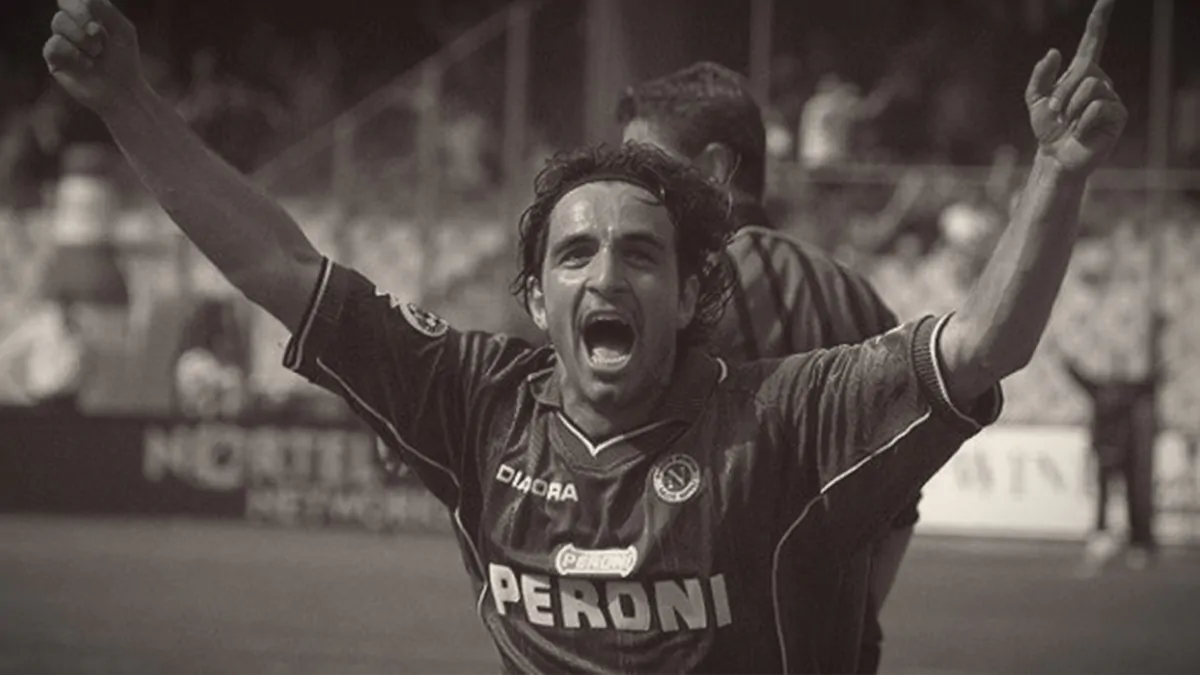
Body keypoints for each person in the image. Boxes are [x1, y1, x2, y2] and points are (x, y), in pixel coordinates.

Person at [43, 0, 1125, 671]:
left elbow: (981, 346)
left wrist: (1056, 172)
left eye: (640, 253)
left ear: (693, 293)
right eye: (574, 254)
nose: (605, 273)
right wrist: (128, 101)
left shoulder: (780, 415)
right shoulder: (476, 404)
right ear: (533, 298)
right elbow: (280, 268)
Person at [616, 62, 912, 673]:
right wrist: (851, 625)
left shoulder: (677, 294)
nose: (624, 188)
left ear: (714, 168)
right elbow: (901, 499)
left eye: (642, 167)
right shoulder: (855, 294)